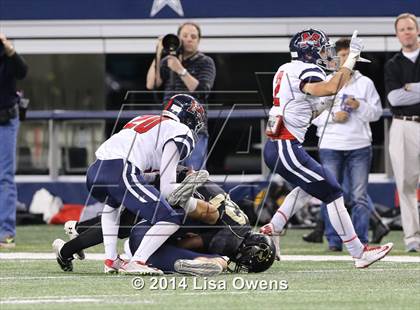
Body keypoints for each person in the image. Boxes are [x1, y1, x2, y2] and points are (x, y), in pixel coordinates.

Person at [260, 28, 393, 268]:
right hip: (285, 146)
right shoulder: (305, 70)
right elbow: (330, 87)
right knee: (332, 191)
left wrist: (323, 105)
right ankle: (358, 252)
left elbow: (304, 108)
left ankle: (274, 227)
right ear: (309, 52)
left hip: (279, 146)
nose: (326, 54)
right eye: (322, 49)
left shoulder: (285, 69)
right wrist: (351, 59)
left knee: (308, 187)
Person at [53, 171, 276, 275]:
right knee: (218, 258)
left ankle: (69, 245)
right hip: (160, 222)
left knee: (121, 223)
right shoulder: (232, 239)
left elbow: (199, 180)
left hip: (171, 179)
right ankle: (205, 259)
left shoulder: (243, 220)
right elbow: (190, 242)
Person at [81, 94, 208, 275]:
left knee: (112, 206)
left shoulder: (142, 118)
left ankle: (111, 260)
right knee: (170, 217)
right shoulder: (181, 130)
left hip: (95, 170)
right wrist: (192, 198)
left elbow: (144, 171)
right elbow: (167, 188)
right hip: (121, 169)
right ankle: (137, 261)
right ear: (189, 117)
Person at [311, 38, 383, 251]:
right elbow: (312, 114)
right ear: (334, 58)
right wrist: (334, 116)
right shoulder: (325, 81)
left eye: (348, 56)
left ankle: (361, 240)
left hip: (359, 146)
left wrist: (359, 105)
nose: (344, 59)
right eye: (341, 55)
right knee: (330, 193)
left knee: (359, 196)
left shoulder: (365, 83)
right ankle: (334, 241)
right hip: (330, 145)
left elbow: (377, 114)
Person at [146, 22, 216, 170]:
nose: (189, 39)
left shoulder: (206, 62)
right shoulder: (169, 61)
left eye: (193, 36)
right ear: (178, 38)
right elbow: (151, 84)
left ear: (198, 40)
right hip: (168, 127)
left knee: (193, 178)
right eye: (184, 36)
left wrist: (180, 70)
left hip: (195, 129)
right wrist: (159, 53)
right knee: (167, 175)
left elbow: (203, 91)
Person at [384, 13, 420, 252]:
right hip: (402, 125)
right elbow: (394, 98)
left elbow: (403, 94)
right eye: (402, 29)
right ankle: (413, 239)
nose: (406, 32)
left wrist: (411, 88)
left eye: (410, 28)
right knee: (406, 185)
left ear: (417, 30)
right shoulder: (393, 64)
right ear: (397, 35)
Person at [0, 33, 28, 248]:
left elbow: (23, 71)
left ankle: (6, 232)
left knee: (5, 176)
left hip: (6, 119)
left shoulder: (7, 53)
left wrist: (10, 49)